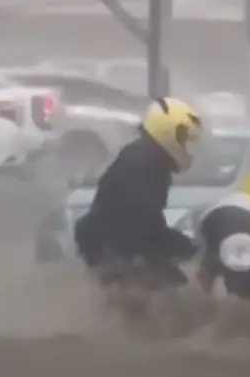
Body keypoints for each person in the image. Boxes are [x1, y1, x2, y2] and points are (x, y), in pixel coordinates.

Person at [74, 97, 201, 284]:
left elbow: (147, 223)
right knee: (175, 292)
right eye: (183, 141)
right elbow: (139, 223)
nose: (186, 148)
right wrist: (185, 248)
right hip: (114, 251)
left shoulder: (150, 161)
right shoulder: (140, 164)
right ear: (169, 133)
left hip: (117, 246)